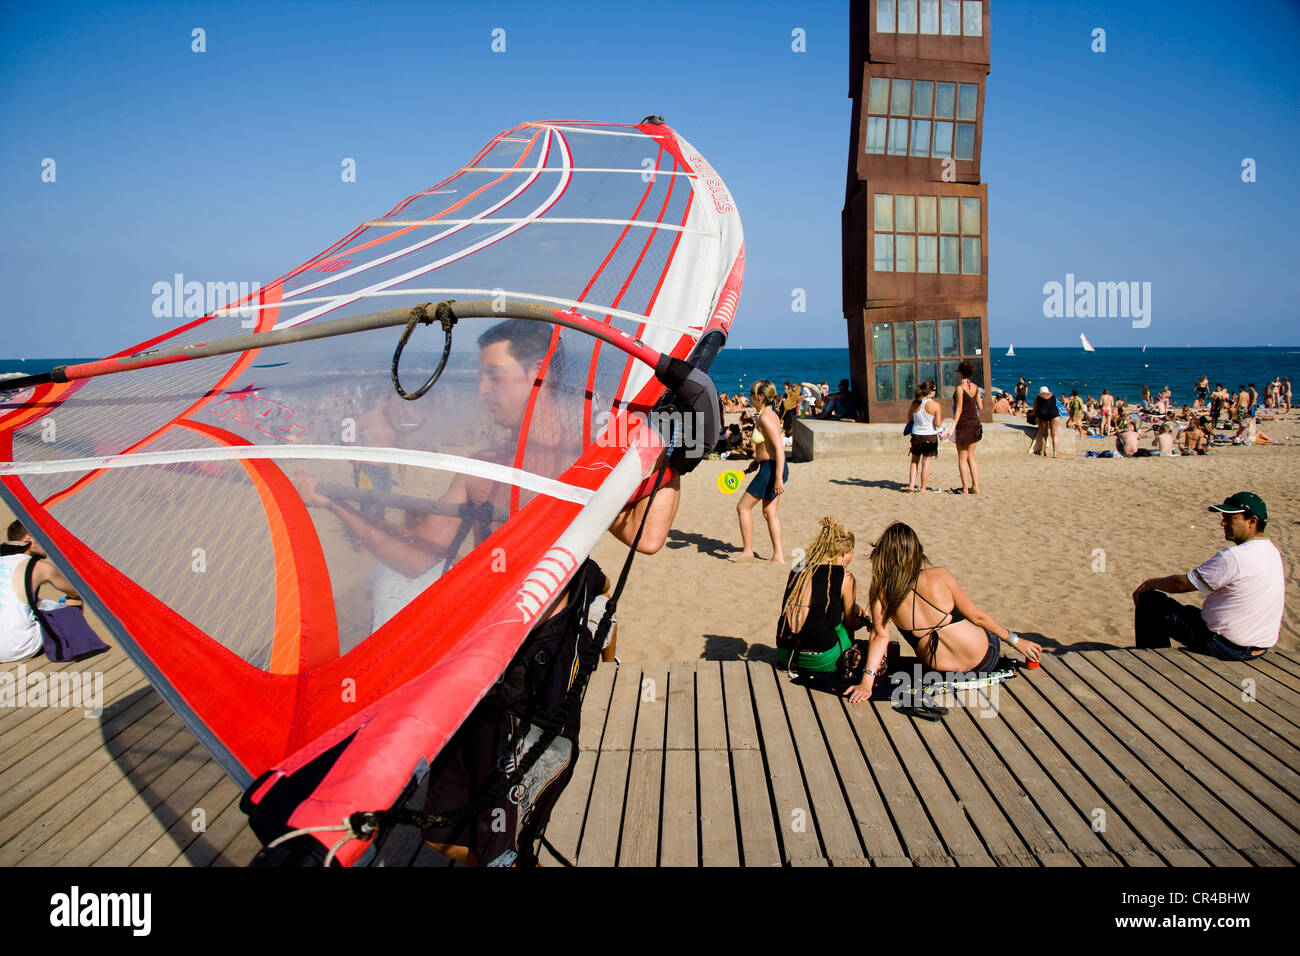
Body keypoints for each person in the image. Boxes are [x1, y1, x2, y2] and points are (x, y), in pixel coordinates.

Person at [843, 522, 1041, 703]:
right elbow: (978, 617)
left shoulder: (883, 593)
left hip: (941, 670)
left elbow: (880, 636)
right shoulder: (939, 575)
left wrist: (867, 682)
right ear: (916, 552)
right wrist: (1016, 640)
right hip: (984, 659)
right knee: (983, 631)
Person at [1131, 492, 1284, 660]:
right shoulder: (1271, 551)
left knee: (1151, 601)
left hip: (1227, 646)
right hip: (1258, 647)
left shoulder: (1235, 557)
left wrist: (1150, 584)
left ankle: (1152, 661)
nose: (1222, 523)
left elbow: (1180, 585)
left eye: (1230, 518)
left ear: (1252, 521)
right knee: (1185, 611)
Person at [775, 517, 869, 674]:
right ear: (845, 553)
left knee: (830, 614)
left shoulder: (798, 570)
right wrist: (864, 619)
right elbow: (851, 623)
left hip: (786, 653)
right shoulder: (845, 578)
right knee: (843, 627)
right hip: (821, 660)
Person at [0, 527, 84, 663]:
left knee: (36, 604)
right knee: (71, 603)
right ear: (28, 538)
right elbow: (75, 591)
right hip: (19, 647)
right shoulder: (39, 566)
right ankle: (77, 647)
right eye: (45, 536)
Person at [730, 379, 788, 563]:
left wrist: (778, 477)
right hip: (768, 466)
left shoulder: (765, 417)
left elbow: (779, 448)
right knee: (770, 513)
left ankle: (748, 552)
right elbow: (768, 446)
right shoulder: (767, 414)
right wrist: (756, 461)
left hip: (772, 469)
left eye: (752, 394)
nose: (749, 397)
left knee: (743, 507)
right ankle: (778, 556)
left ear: (760, 396)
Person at [952, 360, 982, 494]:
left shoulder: (960, 388)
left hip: (964, 424)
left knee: (962, 457)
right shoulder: (976, 387)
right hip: (975, 423)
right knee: (971, 457)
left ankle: (965, 488)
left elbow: (958, 409)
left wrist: (952, 427)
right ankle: (976, 486)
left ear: (961, 373)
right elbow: (980, 406)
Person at [905, 381, 941, 493]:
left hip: (916, 435)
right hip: (929, 436)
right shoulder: (935, 405)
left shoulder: (915, 403)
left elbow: (909, 418)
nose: (935, 392)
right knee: (926, 462)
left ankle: (911, 485)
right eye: (935, 390)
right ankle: (923, 487)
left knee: (914, 461)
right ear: (930, 392)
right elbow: (938, 423)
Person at [1031, 386, 1060, 457]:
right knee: (1054, 434)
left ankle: (1042, 452)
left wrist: (1030, 415)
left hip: (1042, 415)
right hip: (1054, 414)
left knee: (1044, 434)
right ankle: (1055, 453)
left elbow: (1034, 411)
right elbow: (1054, 405)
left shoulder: (1038, 397)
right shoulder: (1052, 396)